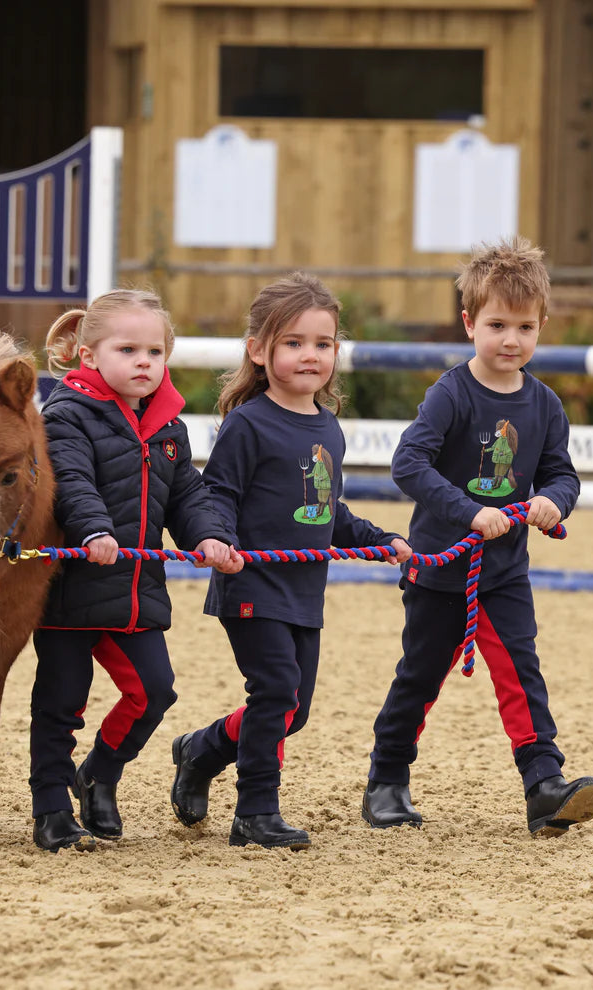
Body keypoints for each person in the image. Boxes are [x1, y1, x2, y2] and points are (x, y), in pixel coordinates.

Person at [362, 237, 593, 837]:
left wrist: (552, 501)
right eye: (497, 325)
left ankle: (543, 783)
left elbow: (562, 473)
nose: (510, 340)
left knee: (522, 672)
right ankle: (387, 778)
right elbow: (408, 464)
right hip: (439, 570)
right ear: (470, 323)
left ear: (541, 327)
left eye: (525, 327)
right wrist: (469, 512)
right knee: (420, 677)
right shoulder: (450, 394)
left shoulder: (545, 405)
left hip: (505, 573)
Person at [170, 273, 412, 849]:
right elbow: (219, 494)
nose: (311, 355)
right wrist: (216, 541)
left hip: (304, 589)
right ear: (259, 350)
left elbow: (327, 511)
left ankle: (202, 749)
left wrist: (379, 539)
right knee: (276, 691)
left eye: (323, 343)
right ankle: (255, 813)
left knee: (292, 710)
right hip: (250, 584)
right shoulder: (247, 423)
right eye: (294, 342)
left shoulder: (328, 427)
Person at [30, 288, 242, 853]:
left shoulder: (168, 426)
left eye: (155, 352)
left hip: (132, 590)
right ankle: (51, 808)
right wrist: (93, 531)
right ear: (89, 356)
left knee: (153, 692)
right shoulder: (65, 414)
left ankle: (100, 772)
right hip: (71, 590)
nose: (144, 362)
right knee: (60, 704)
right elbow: (71, 481)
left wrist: (210, 536)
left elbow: (187, 495)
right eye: (127, 350)